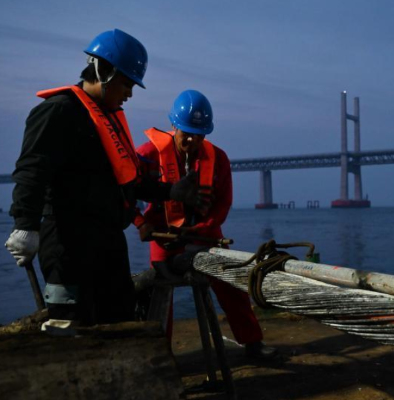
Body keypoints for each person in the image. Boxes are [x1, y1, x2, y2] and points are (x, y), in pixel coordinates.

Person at [4, 29, 204, 332]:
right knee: (68, 325)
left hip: (107, 242)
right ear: (104, 71)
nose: (130, 93)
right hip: (67, 244)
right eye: (126, 83)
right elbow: (33, 170)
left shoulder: (109, 119)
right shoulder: (58, 112)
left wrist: (171, 190)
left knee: (118, 320)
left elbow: (129, 179)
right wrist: (25, 225)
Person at [135, 89, 278, 359]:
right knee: (159, 295)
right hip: (163, 239)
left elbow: (223, 205)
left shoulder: (219, 159)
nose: (191, 140)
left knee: (231, 282)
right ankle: (160, 355)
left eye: (199, 135)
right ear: (173, 126)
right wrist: (140, 222)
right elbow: (124, 190)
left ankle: (253, 343)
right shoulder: (146, 155)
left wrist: (197, 230)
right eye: (186, 133)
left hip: (206, 237)